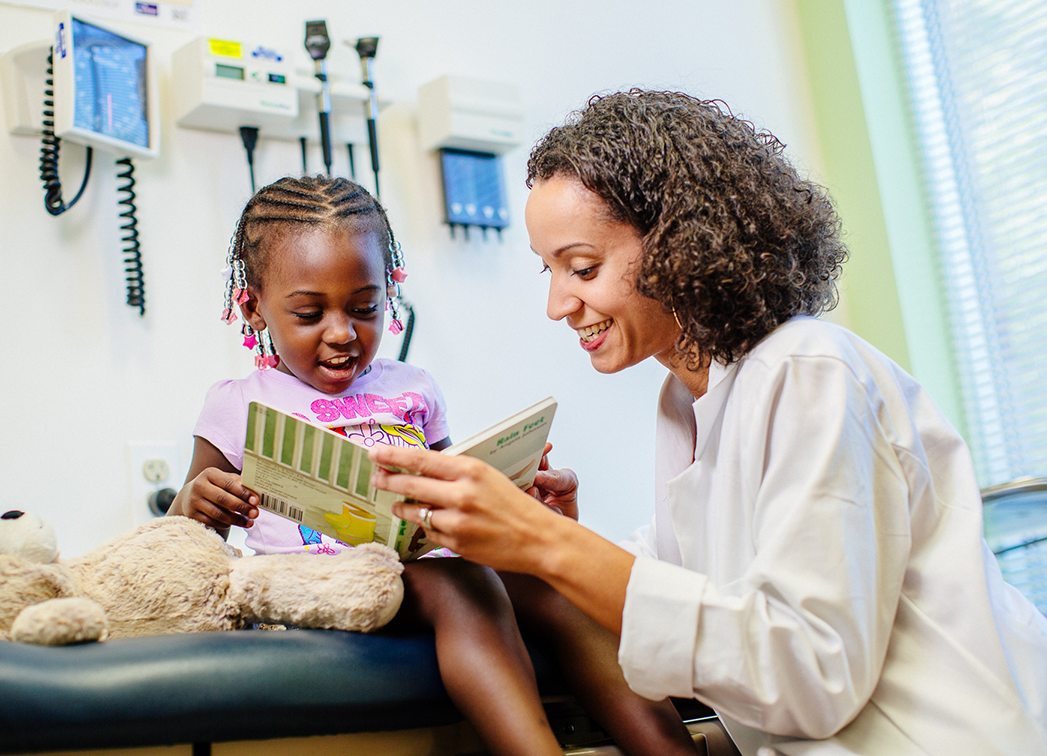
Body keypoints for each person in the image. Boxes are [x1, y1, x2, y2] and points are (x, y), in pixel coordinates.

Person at [371, 90, 1047, 755]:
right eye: (549, 272)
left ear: (681, 245)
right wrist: (552, 533)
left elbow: (810, 671)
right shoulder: (688, 402)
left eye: (583, 268)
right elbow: (700, 605)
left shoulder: (807, 370)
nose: (559, 305)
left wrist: (549, 544)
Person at [168, 174, 701, 756]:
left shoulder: (413, 388)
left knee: (557, 587)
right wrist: (196, 505)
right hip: (320, 584)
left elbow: (451, 491)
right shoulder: (237, 402)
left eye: (365, 307)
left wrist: (511, 497)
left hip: (421, 566)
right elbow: (182, 545)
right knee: (463, 585)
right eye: (309, 314)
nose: (343, 333)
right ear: (254, 308)